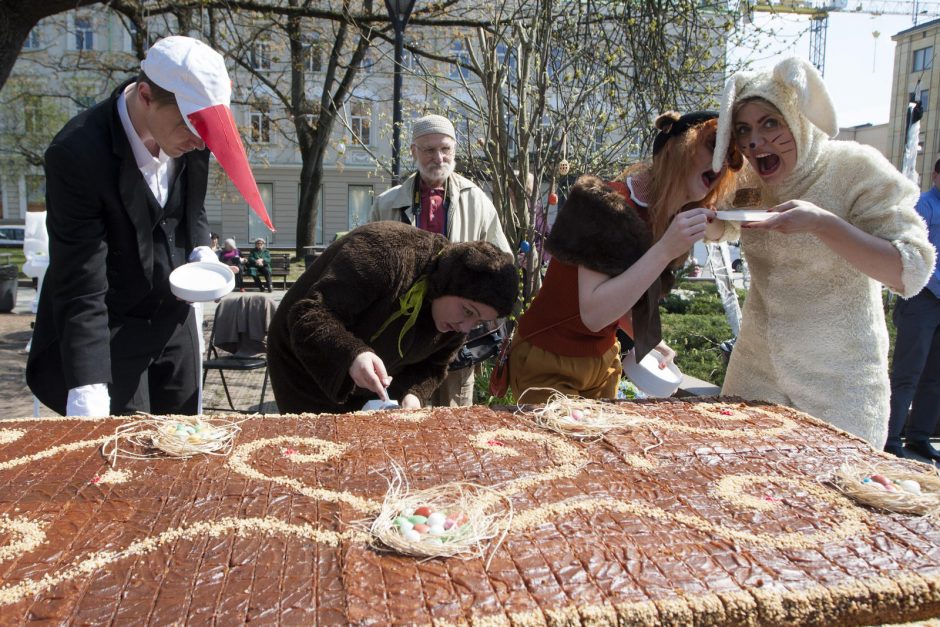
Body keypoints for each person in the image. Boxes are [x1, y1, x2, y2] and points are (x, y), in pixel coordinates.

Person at [26, 36, 273, 417]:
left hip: (174, 318)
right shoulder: (75, 155)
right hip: (110, 327)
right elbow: (81, 283)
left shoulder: (192, 138)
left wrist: (200, 249)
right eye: (189, 125)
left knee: (185, 442)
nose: (198, 140)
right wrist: (87, 387)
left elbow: (190, 208)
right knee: (127, 453)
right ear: (145, 95)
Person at [710, 56, 936, 448]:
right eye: (744, 129)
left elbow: (911, 272)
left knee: (833, 504)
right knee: (736, 496)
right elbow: (726, 224)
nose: (755, 142)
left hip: (840, 386)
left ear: (797, 117)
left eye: (770, 123)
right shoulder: (748, 179)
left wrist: (823, 224)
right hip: (755, 375)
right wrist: (707, 222)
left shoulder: (854, 167)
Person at [508, 111, 741, 404]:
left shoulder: (666, 219)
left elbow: (622, 300)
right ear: (677, 147)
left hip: (604, 361)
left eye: (729, 155)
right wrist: (665, 249)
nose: (720, 163)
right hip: (549, 359)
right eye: (712, 145)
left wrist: (650, 343)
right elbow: (593, 314)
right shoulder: (607, 203)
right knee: (560, 449)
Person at [267, 221, 517, 414]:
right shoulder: (384, 251)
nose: (465, 327)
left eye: (478, 322)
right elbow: (308, 315)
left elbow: (433, 367)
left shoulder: (457, 323)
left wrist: (412, 394)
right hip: (302, 369)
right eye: (468, 311)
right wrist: (352, 354)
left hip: (368, 390)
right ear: (448, 284)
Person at [371, 113, 512, 407]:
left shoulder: (477, 202)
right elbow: (370, 264)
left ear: (455, 150)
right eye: (429, 149)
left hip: (458, 340)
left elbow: (503, 265)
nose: (438, 157)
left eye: (445, 148)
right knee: (406, 421)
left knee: (453, 420)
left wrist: (474, 312)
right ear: (413, 152)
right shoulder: (387, 203)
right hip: (403, 337)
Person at [885, 157, 940, 460]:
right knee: (908, 372)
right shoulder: (923, 207)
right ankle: (891, 438)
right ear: (935, 175)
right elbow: (914, 254)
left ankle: (919, 437)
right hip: (922, 298)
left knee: (935, 376)